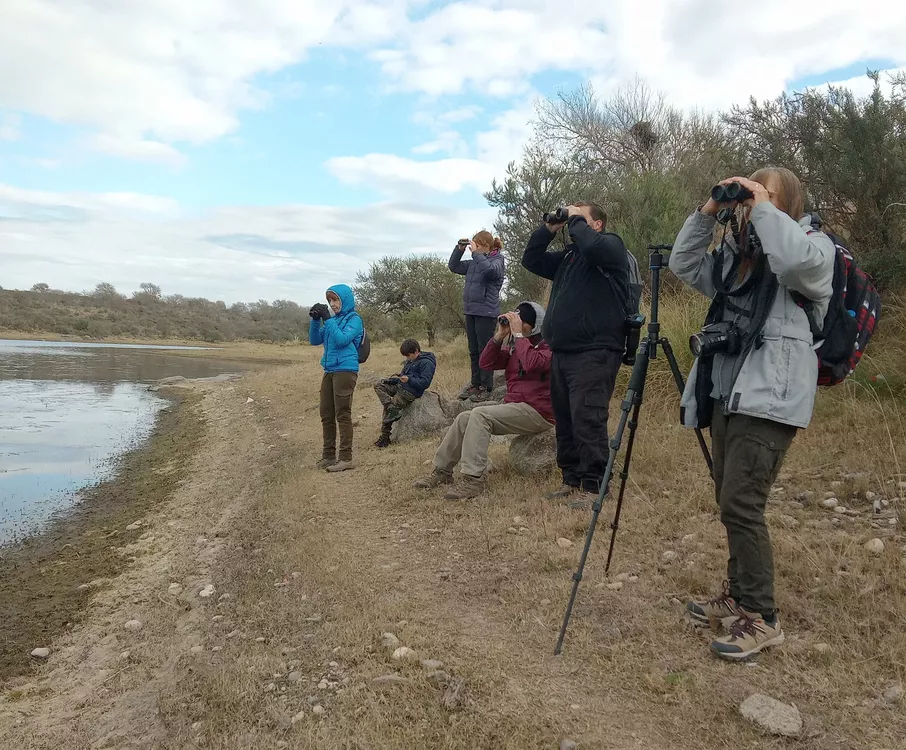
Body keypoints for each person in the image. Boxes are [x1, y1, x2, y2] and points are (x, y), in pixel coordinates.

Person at [669, 168, 835, 660]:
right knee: (728, 497)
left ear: (787, 204)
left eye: (761, 198)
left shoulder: (812, 245)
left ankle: (762, 617)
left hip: (771, 395)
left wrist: (763, 207)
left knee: (742, 502)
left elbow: (793, 263)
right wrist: (708, 212)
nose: (747, 205)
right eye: (744, 199)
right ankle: (738, 597)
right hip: (728, 388)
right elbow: (683, 263)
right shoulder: (736, 257)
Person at [521, 201, 630, 507]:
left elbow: (594, 249)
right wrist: (549, 229)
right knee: (566, 418)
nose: (572, 219)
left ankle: (596, 486)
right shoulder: (570, 256)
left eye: (581, 216)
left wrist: (575, 218)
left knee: (587, 416)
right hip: (563, 351)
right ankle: (571, 479)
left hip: (595, 350)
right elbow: (531, 260)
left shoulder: (611, 247)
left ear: (597, 224)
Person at [412, 301, 553, 500]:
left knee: (480, 414)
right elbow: (486, 362)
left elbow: (532, 363)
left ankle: (473, 479)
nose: (518, 327)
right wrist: (500, 336)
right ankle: (442, 472)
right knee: (464, 418)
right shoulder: (520, 346)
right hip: (517, 407)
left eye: (523, 323)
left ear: (536, 324)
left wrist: (519, 336)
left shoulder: (550, 346)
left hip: (540, 412)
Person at [308, 284, 364, 473]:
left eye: (335, 300)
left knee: (342, 413)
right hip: (330, 370)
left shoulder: (354, 320)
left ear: (345, 299)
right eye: (330, 301)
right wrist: (316, 320)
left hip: (346, 370)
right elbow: (315, 340)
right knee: (326, 413)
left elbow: (342, 340)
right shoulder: (334, 321)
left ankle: (346, 458)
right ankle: (328, 456)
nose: (332, 304)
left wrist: (327, 319)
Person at [448, 230, 505, 402]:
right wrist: (458, 250)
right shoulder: (474, 263)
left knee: (485, 350)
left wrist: (476, 254)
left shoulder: (497, 261)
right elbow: (454, 267)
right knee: (473, 351)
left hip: (486, 312)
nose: (474, 248)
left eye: (477, 245)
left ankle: (486, 387)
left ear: (487, 246)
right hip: (471, 311)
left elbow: (489, 272)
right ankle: (475, 384)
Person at [373, 339, 437, 448]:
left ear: (416, 351)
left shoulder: (427, 363)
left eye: (408, 355)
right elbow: (403, 377)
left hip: (410, 392)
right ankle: (390, 407)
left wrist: (409, 380)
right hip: (401, 386)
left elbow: (425, 383)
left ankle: (385, 438)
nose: (407, 358)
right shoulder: (409, 361)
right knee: (379, 385)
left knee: (391, 408)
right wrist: (391, 380)